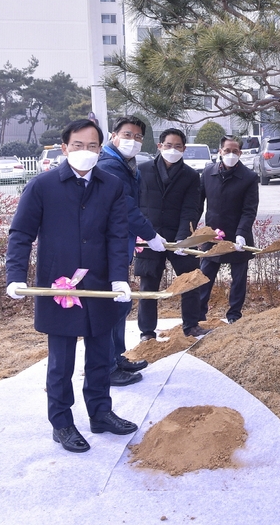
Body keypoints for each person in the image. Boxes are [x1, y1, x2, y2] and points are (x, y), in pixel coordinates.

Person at [5, 119, 139, 453]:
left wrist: (119, 276)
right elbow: (21, 234)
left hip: (99, 285)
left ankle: (100, 412)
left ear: (100, 148)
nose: (85, 152)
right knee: (61, 361)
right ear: (64, 148)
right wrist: (15, 277)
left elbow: (117, 234)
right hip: (59, 287)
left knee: (100, 355)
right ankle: (61, 422)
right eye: (77, 145)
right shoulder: (43, 186)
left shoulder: (111, 186)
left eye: (92, 146)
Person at [95, 116, 167, 386]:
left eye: (138, 137)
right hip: (106, 248)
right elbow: (125, 206)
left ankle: (117, 356)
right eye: (127, 135)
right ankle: (108, 367)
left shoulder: (124, 164)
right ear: (113, 135)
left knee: (119, 305)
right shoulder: (110, 165)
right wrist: (150, 235)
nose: (133, 141)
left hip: (118, 243)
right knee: (110, 307)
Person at [134, 128, 209, 340]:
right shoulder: (143, 170)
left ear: (184, 149)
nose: (172, 150)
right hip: (150, 238)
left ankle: (191, 326)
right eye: (168, 145)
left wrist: (183, 239)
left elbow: (192, 208)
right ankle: (147, 332)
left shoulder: (191, 176)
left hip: (180, 237)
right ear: (159, 146)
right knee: (148, 286)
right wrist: (146, 234)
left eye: (177, 146)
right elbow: (137, 206)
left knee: (190, 281)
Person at [197, 135, 259, 324]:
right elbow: (197, 204)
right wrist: (193, 233)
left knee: (238, 279)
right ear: (220, 151)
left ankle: (234, 315)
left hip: (238, 236)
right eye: (227, 151)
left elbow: (249, 210)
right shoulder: (208, 173)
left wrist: (241, 233)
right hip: (213, 235)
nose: (231, 154)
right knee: (204, 276)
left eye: (235, 151)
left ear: (240, 153)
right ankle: (199, 314)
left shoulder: (249, 177)